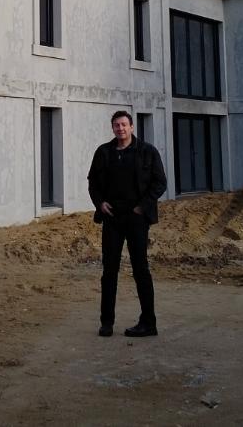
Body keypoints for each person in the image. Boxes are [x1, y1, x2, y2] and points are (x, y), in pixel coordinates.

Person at [87, 110, 167, 338]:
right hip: (112, 219)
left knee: (141, 269)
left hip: (137, 219)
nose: (120, 129)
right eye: (116, 125)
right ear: (112, 128)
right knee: (109, 271)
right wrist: (100, 203)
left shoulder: (147, 152)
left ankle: (148, 322)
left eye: (124, 125)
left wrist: (142, 207)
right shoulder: (104, 153)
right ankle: (106, 322)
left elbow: (160, 182)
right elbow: (92, 182)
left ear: (132, 127)